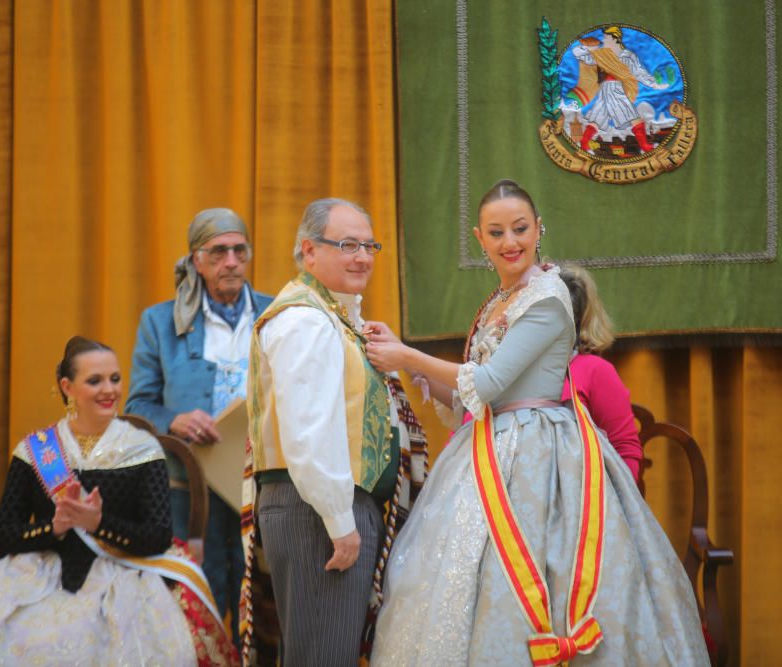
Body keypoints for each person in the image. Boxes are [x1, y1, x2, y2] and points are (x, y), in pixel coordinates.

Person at [365, 179, 709, 665]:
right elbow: (476, 401)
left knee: (541, 578)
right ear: (478, 238)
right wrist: (405, 361)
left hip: (542, 457)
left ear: (539, 228)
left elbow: (485, 383)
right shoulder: (497, 302)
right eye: (497, 231)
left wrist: (409, 354)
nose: (510, 242)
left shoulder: (547, 298)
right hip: (487, 446)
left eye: (520, 228)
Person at [0, 336, 236, 664]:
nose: (109, 390)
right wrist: (56, 527)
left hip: (126, 573)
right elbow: (4, 534)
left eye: (115, 379)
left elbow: (157, 536)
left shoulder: (143, 449)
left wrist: (97, 524)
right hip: (40, 573)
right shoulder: (35, 451)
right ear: (67, 387)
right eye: (95, 381)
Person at [242, 198, 427, 666]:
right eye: (347, 245)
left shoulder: (332, 318)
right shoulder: (305, 320)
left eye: (369, 245)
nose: (362, 257)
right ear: (309, 251)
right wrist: (340, 522)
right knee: (324, 657)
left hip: (326, 507)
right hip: (319, 511)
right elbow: (308, 433)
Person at [126, 207, 273, 646]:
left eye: (239, 250)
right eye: (219, 251)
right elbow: (137, 404)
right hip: (188, 488)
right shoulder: (161, 323)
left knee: (262, 597)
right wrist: (173, 419)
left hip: (261, 483)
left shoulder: (278, 313)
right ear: (197, 260)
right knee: (196, 593)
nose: (231, 261)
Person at [559, 263, 643, 483]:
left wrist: (605, 510)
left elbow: (625, 451)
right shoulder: (506, 371)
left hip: (585, 507)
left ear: (574, 322)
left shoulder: (595, 371)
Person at [572, 26, 669, 154]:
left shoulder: (627, 56)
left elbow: (639, 73)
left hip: (615, 89)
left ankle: (584, 145)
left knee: (598, 118)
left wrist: (655, 85)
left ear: (615, 38)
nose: (604, 40)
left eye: (606, 38)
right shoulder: (603, 54)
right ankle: (645, 146)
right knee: (633, 117)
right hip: (611, 89)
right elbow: (579, 54)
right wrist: (586, 47)